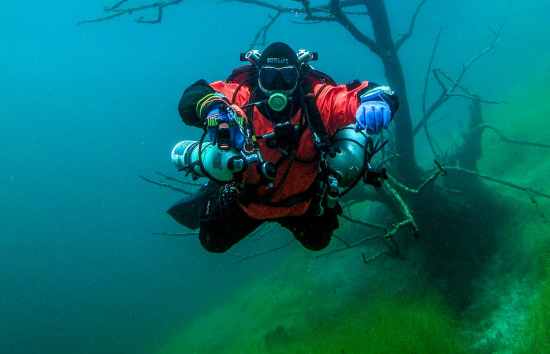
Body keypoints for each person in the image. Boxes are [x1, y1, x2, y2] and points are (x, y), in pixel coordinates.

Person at [167, 42, 399, 253]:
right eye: (270, 77)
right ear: (258, 77)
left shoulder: (318, 102)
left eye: (287, 78)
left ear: (297, 78)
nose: (278, 87)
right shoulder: (240, 98)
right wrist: (212, 108)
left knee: (318, 243)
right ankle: (218, 182)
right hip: (247, 203)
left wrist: (377, 101)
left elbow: (361, 93)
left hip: (301, 204)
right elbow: (195, 94)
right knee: (212, 242)